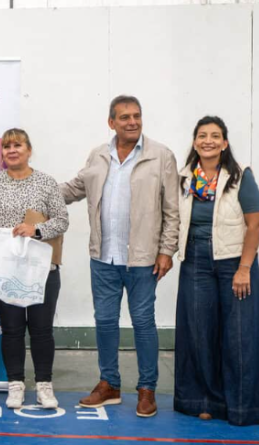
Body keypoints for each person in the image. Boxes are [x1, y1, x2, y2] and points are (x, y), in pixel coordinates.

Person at [60, 95, 179, 417]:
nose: (132, 122)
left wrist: (167, 250)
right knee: (105, 322)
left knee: (143, 322)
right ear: (111, 122)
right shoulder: (98, 155)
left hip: (143, 260)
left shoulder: (161, 156)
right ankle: (109, 384)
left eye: (136, 116)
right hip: (103, 258)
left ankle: (147, 389)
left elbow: (172, 209)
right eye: (124, 117)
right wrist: (30, 190)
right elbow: (73, 189)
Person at [173, 116, 259, 426]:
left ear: (225, 143)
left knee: (240, 335)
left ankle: (245, 407)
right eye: (202, 135)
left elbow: (255, 224)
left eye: (215, 136)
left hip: (234, 261)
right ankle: (204, 401)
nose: (209, 140)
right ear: (195, 142)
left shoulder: (240, 175)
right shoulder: (184, 178)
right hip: (195, 260)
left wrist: (244, 268)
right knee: (199, 332)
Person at [0, 129, 69, 410]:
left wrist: (36, 229)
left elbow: (62, 220)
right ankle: (15, 384)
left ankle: (44, 385)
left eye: (17, 145)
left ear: (29, 150)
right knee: (12, 330)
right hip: (6, 269)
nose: (12, 150)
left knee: (42, 331)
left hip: (42, 269)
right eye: (7, 146)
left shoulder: (46, 182)